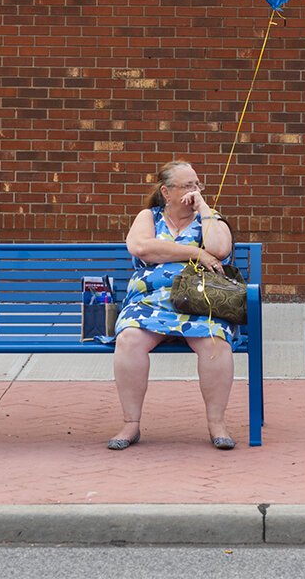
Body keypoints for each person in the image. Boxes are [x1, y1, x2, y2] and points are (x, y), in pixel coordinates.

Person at [107, 161, 238, 451]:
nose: (195, 190)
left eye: (198, 185)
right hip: (149, 301)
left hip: (199, 301)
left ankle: (217, 423)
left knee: (216, 342)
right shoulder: (148, 217)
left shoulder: (210, 219)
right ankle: (131, 423)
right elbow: (142, 248)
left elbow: (219, 249)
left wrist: (204, 208)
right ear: (166, 192)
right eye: (188, 186)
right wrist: (194, 252)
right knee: (128, 339)